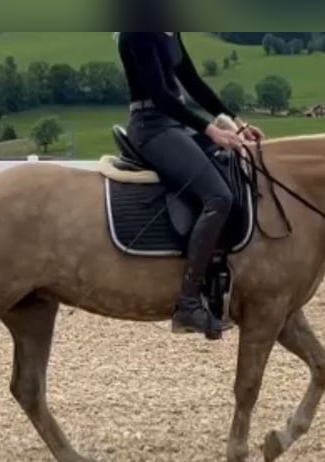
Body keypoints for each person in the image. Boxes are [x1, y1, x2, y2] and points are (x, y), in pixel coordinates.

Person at [117, 32, 264, 339]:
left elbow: (193, 81)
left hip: (175, 126)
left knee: (233, 169)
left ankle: (222, 277)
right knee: (218, 196)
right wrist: (211, 130)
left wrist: (236, 122)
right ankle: (187, 303)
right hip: (151, 127)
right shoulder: (138, 32)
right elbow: (160, 96)